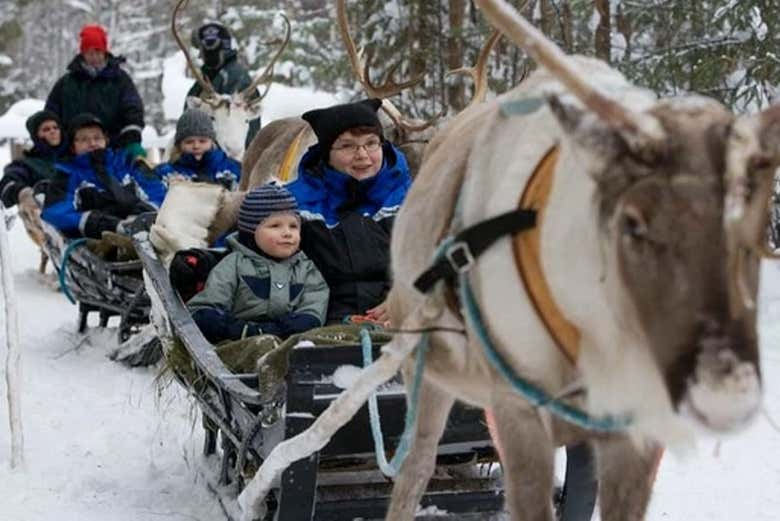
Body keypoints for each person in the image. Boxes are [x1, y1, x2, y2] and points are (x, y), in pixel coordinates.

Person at [286, 98, 411, 324]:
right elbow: (248, 253)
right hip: (320, 329)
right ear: (326, 153)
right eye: (347, 146)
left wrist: (409, 298)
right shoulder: (292, 204)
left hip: (406, 323)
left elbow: (449, 262)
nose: (362, 154)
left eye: (371, 143)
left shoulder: (415, 200)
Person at [187, 184, 329, 343]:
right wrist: (238, 329)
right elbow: (207, 307)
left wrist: (295, 325)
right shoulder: (234, 265)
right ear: (251, 231)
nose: (288, 233)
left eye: (293, 226)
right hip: (239, 340)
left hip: (290, 340)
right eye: (275, 226)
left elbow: (314, 308)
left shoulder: (306, 268)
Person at [41, 113, 166, 239]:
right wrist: (107, 225)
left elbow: (158, 192)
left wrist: (140, 217)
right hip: (98, 240)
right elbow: (55, 211)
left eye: (97, 137)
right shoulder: (67, 173)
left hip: (144, 228)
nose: (92, 143)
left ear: (106, 140)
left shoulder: (127, 163)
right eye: (84, 139)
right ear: (73, 146)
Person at [45, 24, 146, 159]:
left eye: (98, 51)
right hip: (73, 152)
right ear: (83, 53)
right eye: (89, 52)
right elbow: (52, 113)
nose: (94, 57)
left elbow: (132, 109)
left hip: (114, 150)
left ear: (105, 51)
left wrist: (131, 136)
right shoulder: (66, 83)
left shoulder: (120, 80)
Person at [187, 22, 260, 145]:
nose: (200, 56)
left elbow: (240, 134)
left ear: (211, 50)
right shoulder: (210, 78)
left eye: (202, 50)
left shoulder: (236, 80)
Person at [154, 108, 241, 189]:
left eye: (202, 141)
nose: (196, 146)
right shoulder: (166, 174)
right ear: (179, 145)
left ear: (212, 142)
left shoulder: (235, 170)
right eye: (189, 142)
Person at [0, 110, 68, 209]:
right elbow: (7, 183)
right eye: (46, 129)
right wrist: (22, 193)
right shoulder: (26, 164)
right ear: (36, 135)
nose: (53, 131)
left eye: (56, 127)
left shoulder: (74, 157)